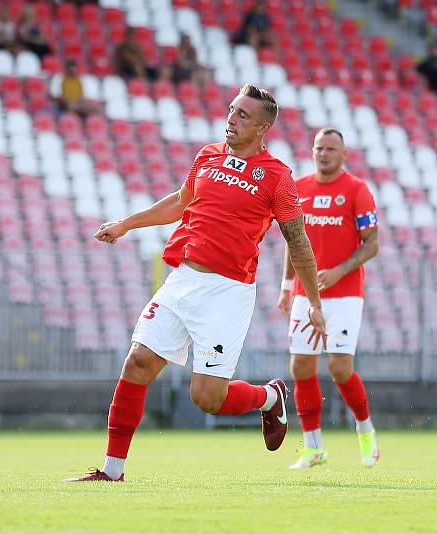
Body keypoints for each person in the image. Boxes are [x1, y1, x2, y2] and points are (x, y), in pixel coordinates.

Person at [66, 84, 327, 482]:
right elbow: (179, 201)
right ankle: (111, 471)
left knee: (206, 398)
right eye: (231, 110)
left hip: (227, 293)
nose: (231, 119)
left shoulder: (276, 177)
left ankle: (269, 396)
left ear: (262, 128)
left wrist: (314, 302)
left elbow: (298, 241)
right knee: (137, 362)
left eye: (242, 115)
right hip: (183, 279)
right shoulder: (207, 155)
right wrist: (126, 224)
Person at [278, 128, 380, 469]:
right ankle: (313, 447)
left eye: (331, 149)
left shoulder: (357, 190)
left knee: (338, 366)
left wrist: (338, 271)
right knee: (301, 365)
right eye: (319, 148)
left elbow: (372, 243)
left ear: (344, 153)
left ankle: (365, 430)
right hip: (305, 294)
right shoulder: (299, 189)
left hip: (346, 293)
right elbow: (293, 240)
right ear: (312, 151)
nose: (324, 154)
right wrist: (285, 284)